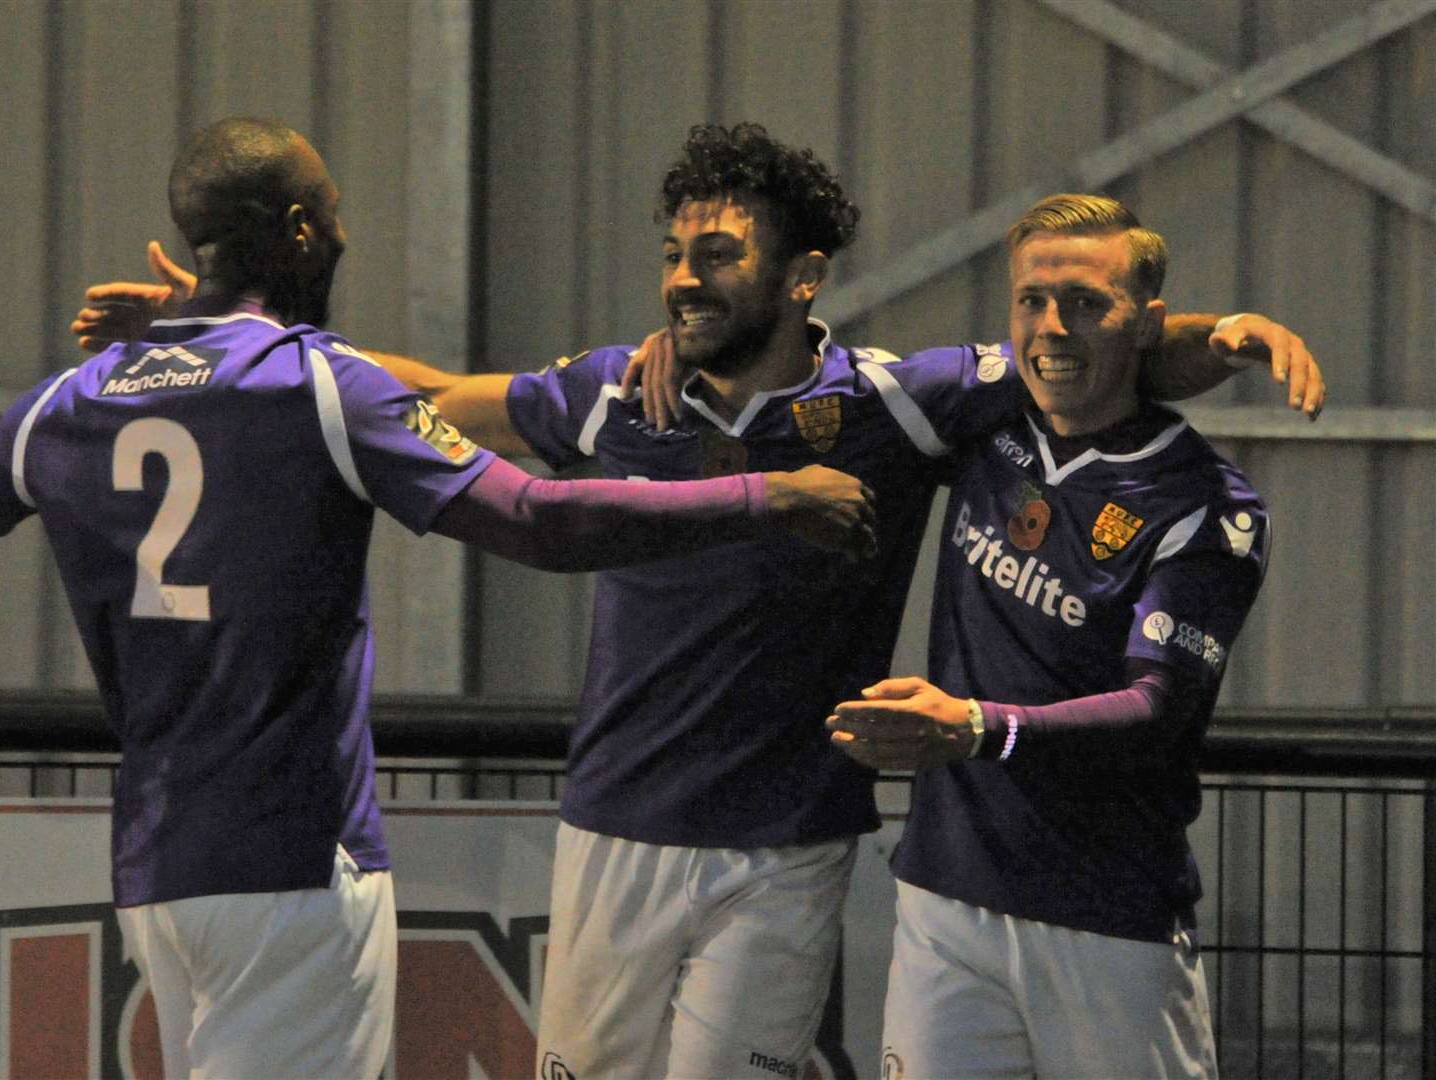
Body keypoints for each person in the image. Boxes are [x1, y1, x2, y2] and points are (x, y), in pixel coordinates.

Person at [72, 124, 1321, 1078]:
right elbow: (437, 393)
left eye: (717, 255)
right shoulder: (619, 391)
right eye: (674, 254)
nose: (684, 278)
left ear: (805, 275)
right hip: (614, 829)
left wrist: (1226, 335)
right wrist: (216, 329)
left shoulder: (899, 399)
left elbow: (1089, 351)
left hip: (787, 848)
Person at [0, 117, 879, 1080]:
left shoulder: (67, 400)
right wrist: (763, 493)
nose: (347, 231)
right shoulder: (320, 384)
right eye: (335, 209)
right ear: (302, 231)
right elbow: (534, 518)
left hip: (155, 869)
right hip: (295, 863)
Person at [827, 194, 1268, 1078]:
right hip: (943, 902)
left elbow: (1158, 709)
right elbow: (807, 387)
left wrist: (980, 726)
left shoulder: (1206, 504)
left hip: (1108, 923)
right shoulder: (983, 425)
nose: (1052, 327)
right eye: (1032, 300)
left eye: (1085, 304)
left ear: (1147, 325)